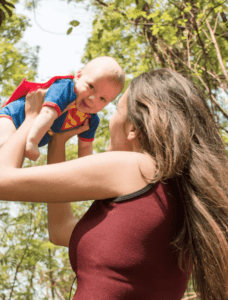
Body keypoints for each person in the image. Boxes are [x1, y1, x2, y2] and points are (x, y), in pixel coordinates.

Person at [0, 68, 227, 300]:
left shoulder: (135, 167)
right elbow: (60, 230)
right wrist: (59, 138)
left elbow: (2, 180)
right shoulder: (175, 197)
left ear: (132, 129)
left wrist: (30, 118)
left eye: (116, 110)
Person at [0, 56, 125, 160]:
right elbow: (47, 113)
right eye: (91, 86)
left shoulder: (90, 120)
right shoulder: (65, 88)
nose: (93, 98)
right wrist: (32, 142)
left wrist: (86, 172)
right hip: (12, 117)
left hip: (25, 135)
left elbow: (85, 147)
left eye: (102, 99)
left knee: (12, 160)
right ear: (78, 76)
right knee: (4, 147)